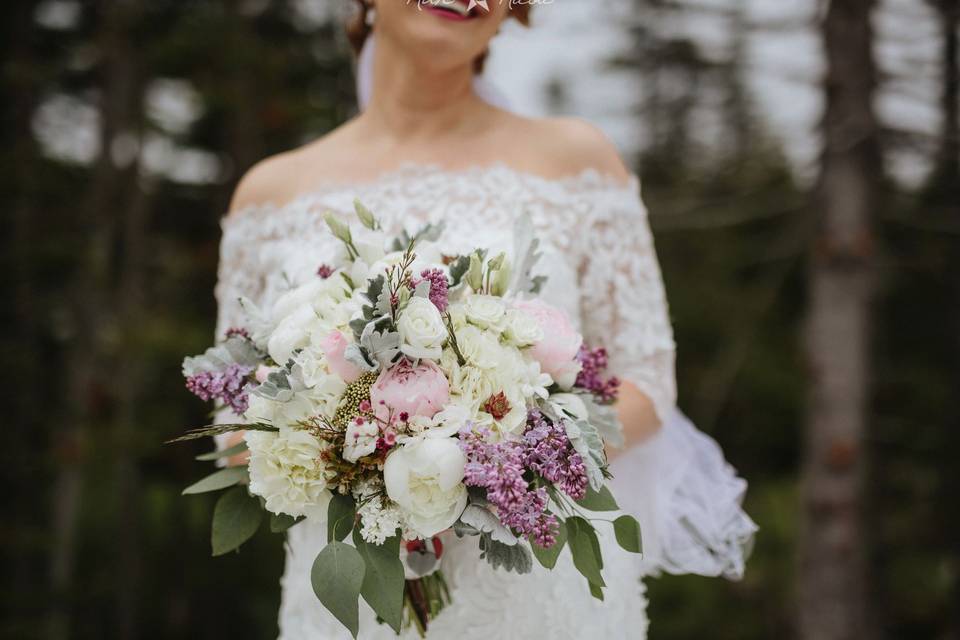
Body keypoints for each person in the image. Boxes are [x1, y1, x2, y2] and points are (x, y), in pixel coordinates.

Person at [215, 1, 756, 637]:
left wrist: (493, 454)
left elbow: (646, 383)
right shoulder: (272, 193)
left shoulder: (575, 162)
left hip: (536, 595)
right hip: (351, 601)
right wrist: (353, 445)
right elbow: (231, 421)